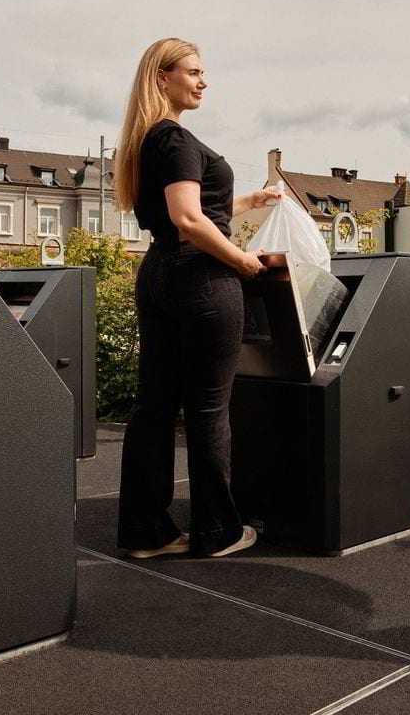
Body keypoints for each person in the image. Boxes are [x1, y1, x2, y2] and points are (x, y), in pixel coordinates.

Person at [114, 37, 283, 559]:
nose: (203, 80)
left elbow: (185, 209)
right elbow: (190, 221)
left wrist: (251, 200)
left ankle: (148, 532)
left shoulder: (148, 141)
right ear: (161, 77)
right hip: (203, 281)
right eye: (193, 71)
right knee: (209, 409)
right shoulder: (177, 138)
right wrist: (240, 258)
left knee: (154, 406)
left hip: (159, 274)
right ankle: (218, 530)